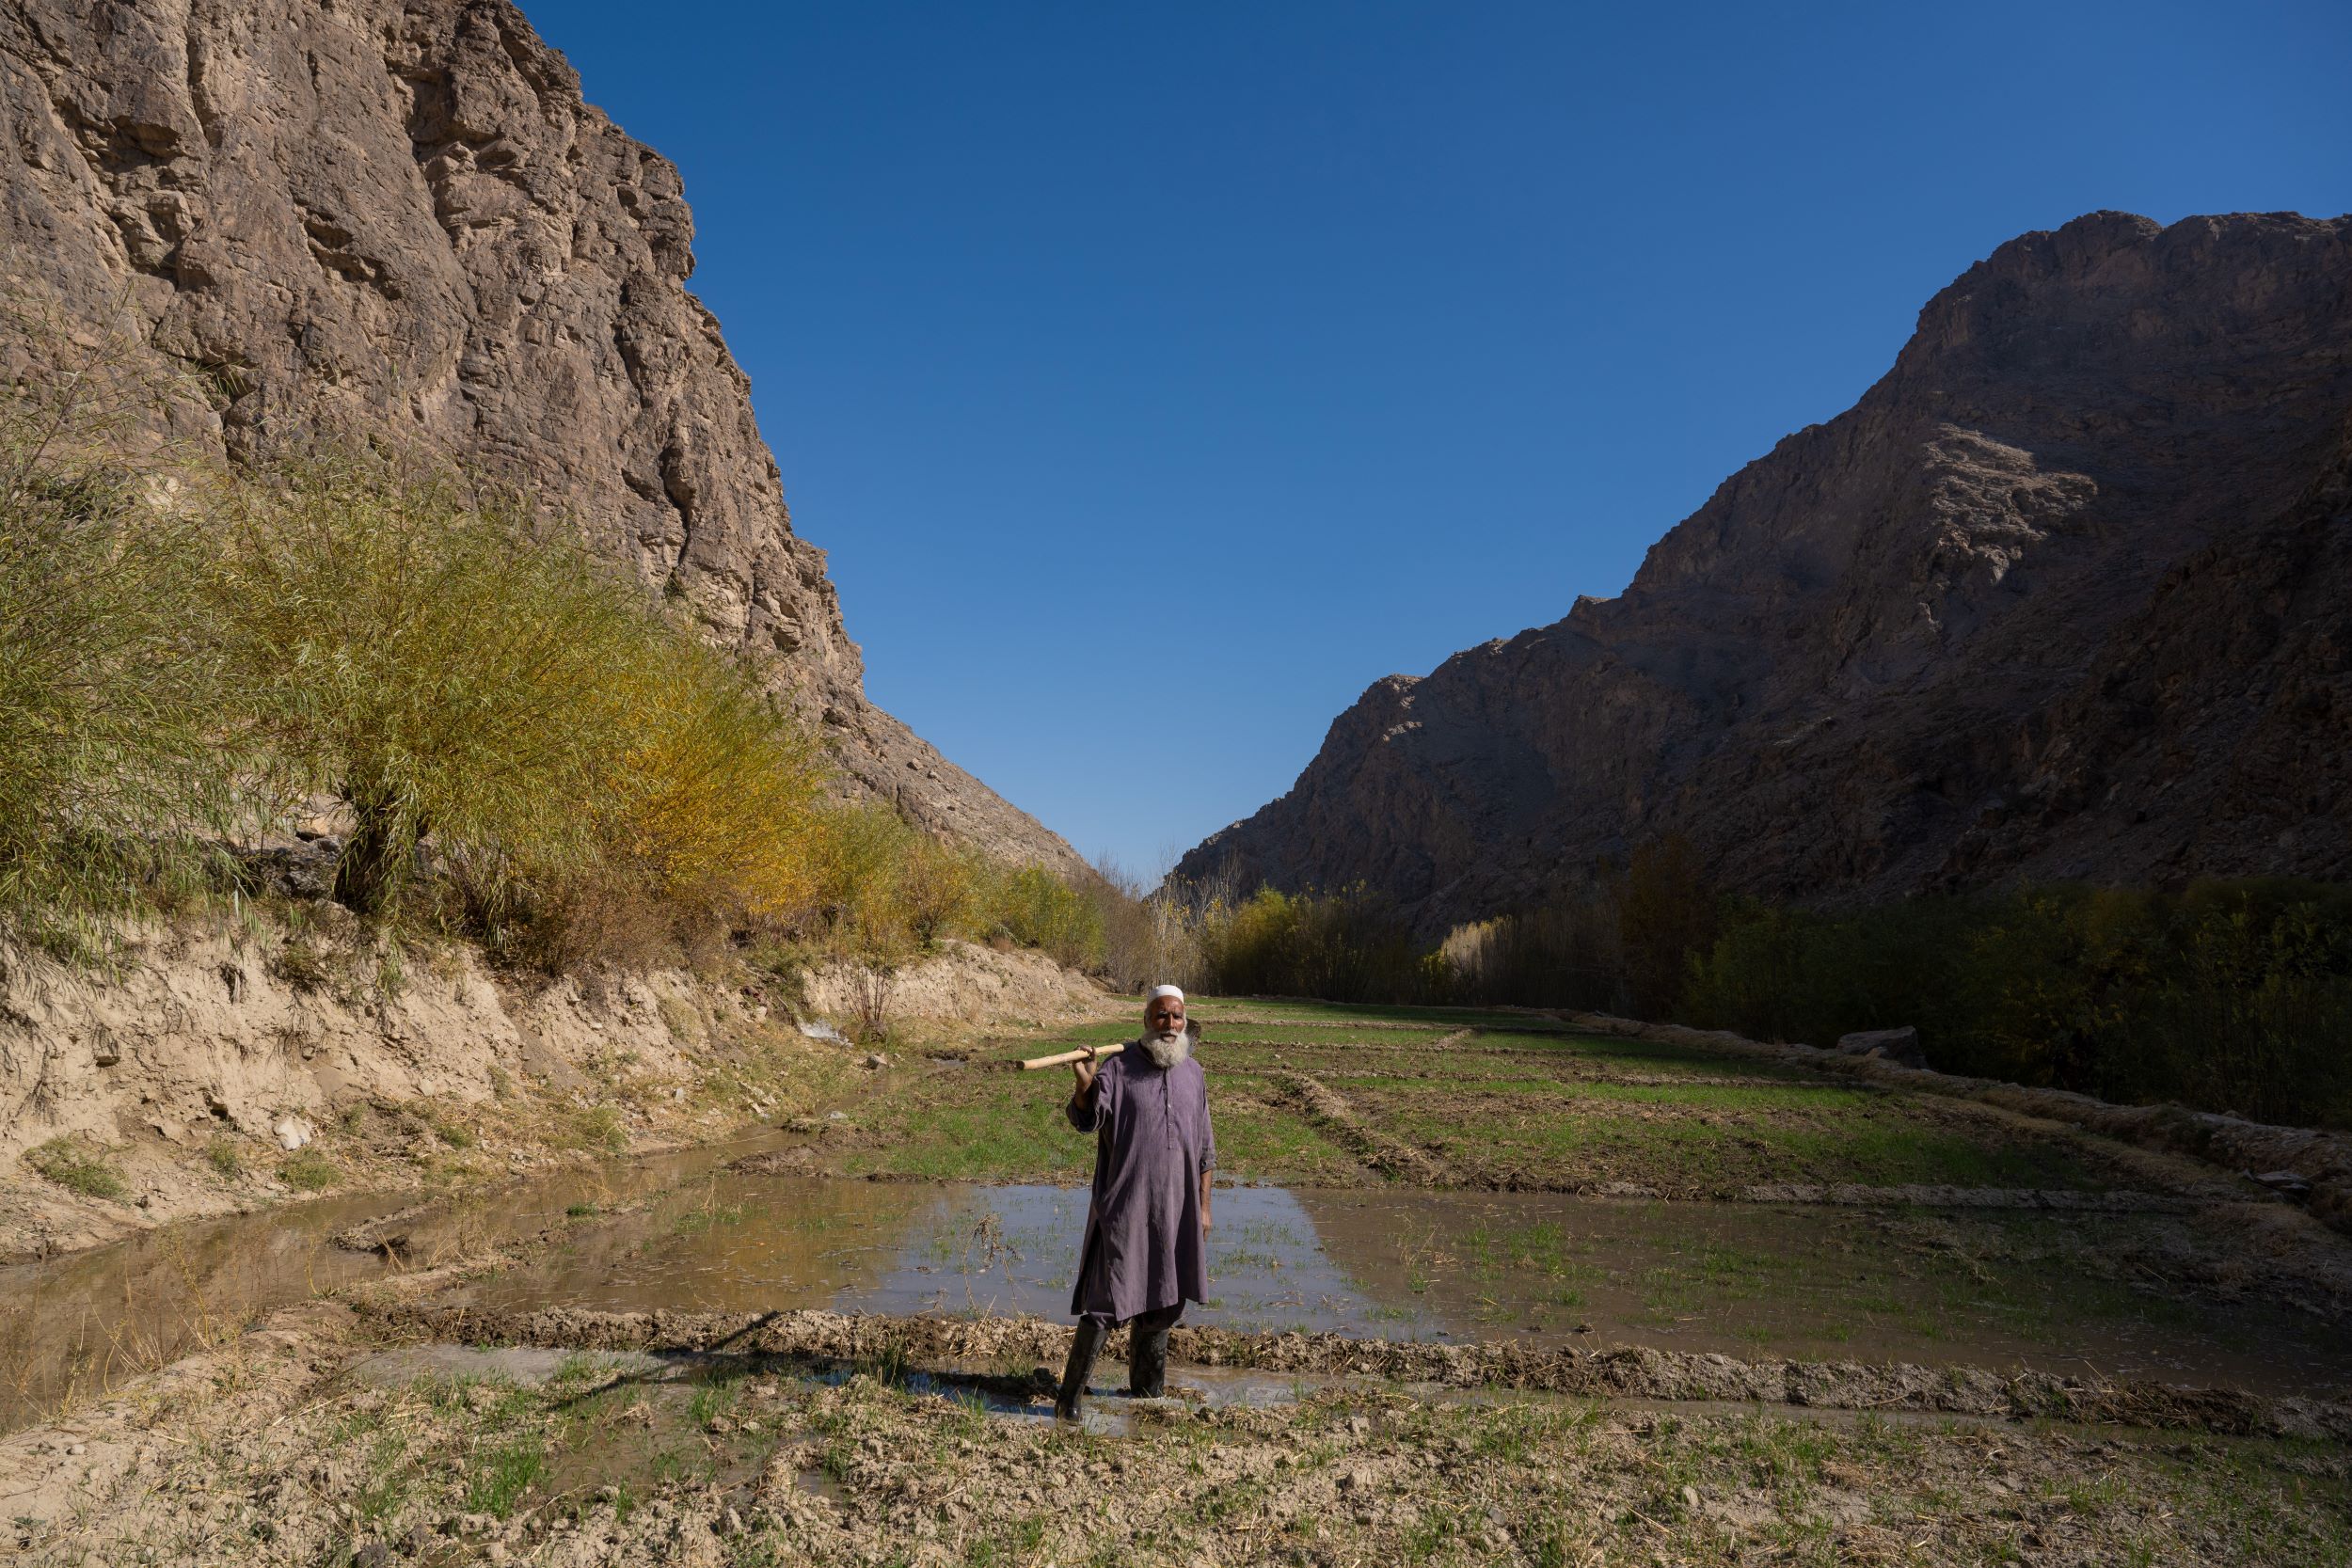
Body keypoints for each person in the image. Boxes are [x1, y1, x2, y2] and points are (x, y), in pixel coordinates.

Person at [1054, 983, 1216, 1419]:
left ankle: (1147, 1392)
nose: (1170, 1025)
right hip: (1127, 1205)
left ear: (1185, 1022)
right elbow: (1088, 1118)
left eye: (1177, 1016)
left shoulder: (1194, 1074)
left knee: (1165, 1299)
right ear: (1146, 1021)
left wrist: (1203, 1207)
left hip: (1176, 1210)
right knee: (1108, 1300)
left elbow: (1204, 1151)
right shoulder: (1119, 1069)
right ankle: (1069, 1398)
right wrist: (1085, 1079)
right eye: (1161, 1016)